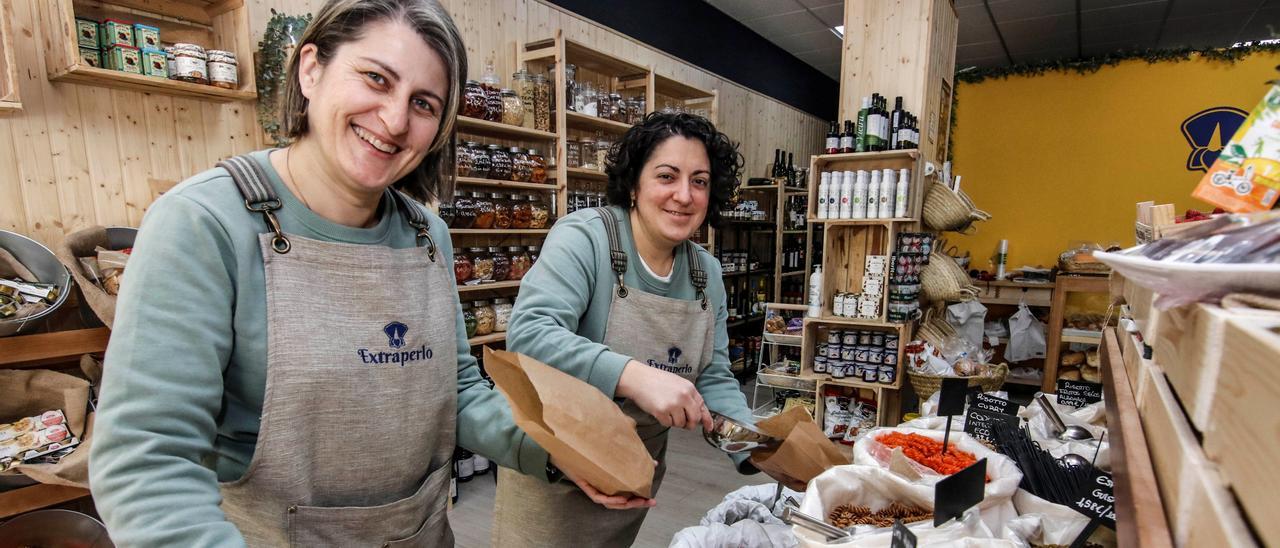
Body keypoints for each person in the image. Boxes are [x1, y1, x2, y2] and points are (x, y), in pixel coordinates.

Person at [88, 1, 630, 545]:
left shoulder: (426, 235)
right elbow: (147, 459)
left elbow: (457, 391)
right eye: (376, 78)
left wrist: (554, 450)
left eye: (423, 103)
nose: (395, 121)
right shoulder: (204, 224)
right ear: (311, 69)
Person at [493, 112, 761, 546]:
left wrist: (755, 447)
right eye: (667, 176)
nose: (684, 195)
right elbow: (530, 334)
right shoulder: (585, 238)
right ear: (634, 184)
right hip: (556, 472)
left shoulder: (705, 273)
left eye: (699, 181)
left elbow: (711, 374)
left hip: (633, 476)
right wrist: (633, 376)